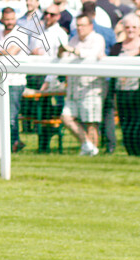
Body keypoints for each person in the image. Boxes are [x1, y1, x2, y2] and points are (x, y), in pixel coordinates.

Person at [0, 7, 28, 152]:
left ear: (15, 19)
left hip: (14, 81)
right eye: (6, 19)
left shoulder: (21, 33)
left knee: (11, 115)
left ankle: (12, 145)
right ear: (2, 19)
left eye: (11, 19)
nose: (9, 22)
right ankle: (4, 141)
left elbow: (12, 51)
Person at [59, 14, 106, 155]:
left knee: (91, 123)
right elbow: (65, 56)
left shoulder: (97, 39)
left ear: (90, 26)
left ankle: (93, 152)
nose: (79, 28)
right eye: (77, 25)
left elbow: (91, 55)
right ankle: (88, 145)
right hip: (73, 88)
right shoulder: (73, 39)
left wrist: (73, 50)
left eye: (82, 25)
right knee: (66, 117)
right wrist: (61, 50)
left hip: (91, 87)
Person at [111, 13, 140, 155]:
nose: (131, 30)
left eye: (134, 27)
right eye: (128, 27)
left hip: (137, 92)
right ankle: (130, 151)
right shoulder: (117, 48)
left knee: (137, 123)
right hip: (121, 92)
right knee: (125, 123)